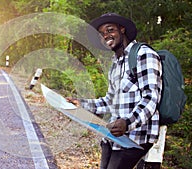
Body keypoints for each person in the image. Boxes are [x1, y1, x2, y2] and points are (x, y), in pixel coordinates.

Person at [67, 13, 163, 169]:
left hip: (136, 137)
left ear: (122, 30)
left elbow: (151, 97)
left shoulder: (143, 54)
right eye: (102, 34)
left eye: (110, 30)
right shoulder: (115, 64)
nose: (106, 35)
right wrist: (81, 104)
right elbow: (109, 102)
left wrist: (127, 123)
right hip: (112, 136)